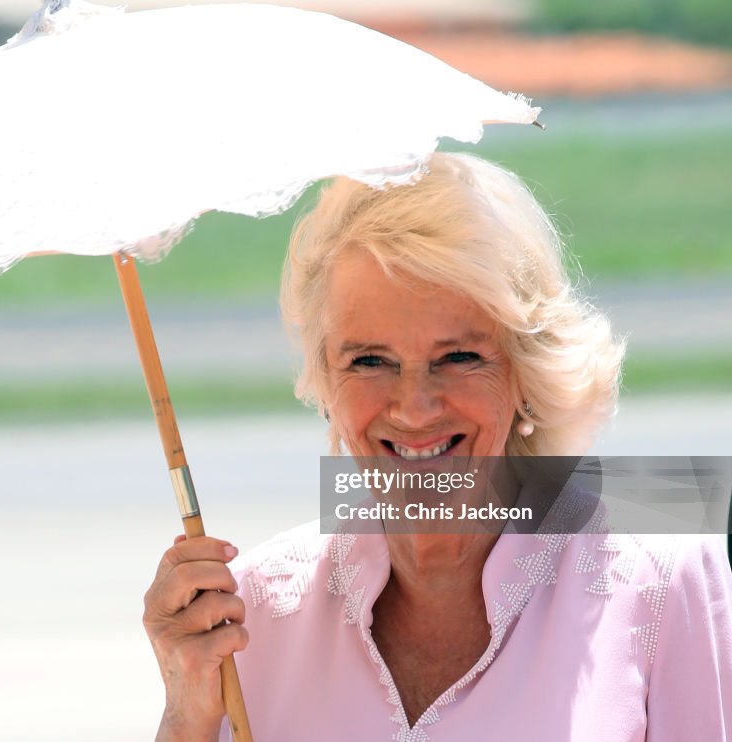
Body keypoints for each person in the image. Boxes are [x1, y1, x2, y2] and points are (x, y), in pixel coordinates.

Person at [142, 152, 732, 741]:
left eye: (458, 358)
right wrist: (184, 717)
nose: (414, 408)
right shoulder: (244, 619)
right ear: (326, 380)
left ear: (527, 374)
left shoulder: (662, 580)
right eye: (370, 361)